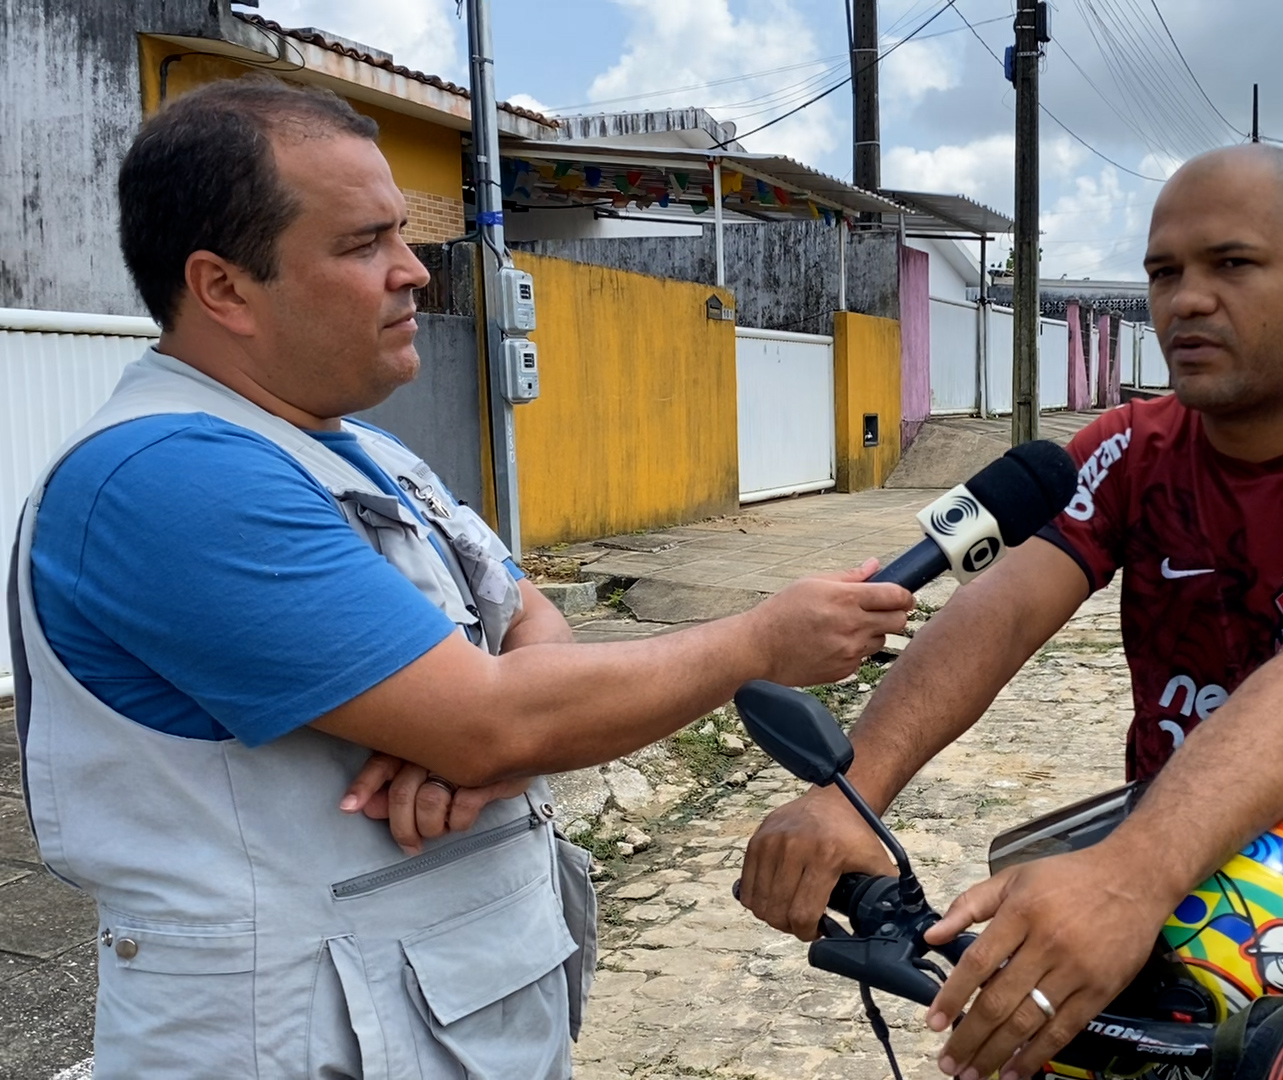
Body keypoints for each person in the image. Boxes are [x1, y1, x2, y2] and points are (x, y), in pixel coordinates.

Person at [6, 76, 912, 1078]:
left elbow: (530, 635)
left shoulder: (364, 455)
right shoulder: (166, 480)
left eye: (403, 234)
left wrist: (498, 739)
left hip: (441, 1024)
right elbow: (500, 710)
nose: (416, 275)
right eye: (363, 245)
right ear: (223, 288)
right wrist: (754, 643)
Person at [739, 143, 1283, 1080]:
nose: (1185, 299)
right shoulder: (1130, 449)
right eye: (1164, 272)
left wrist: (1126, 876)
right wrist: (855, 791)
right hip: (1177, 927)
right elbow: (998, 613)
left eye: (1231, 264)